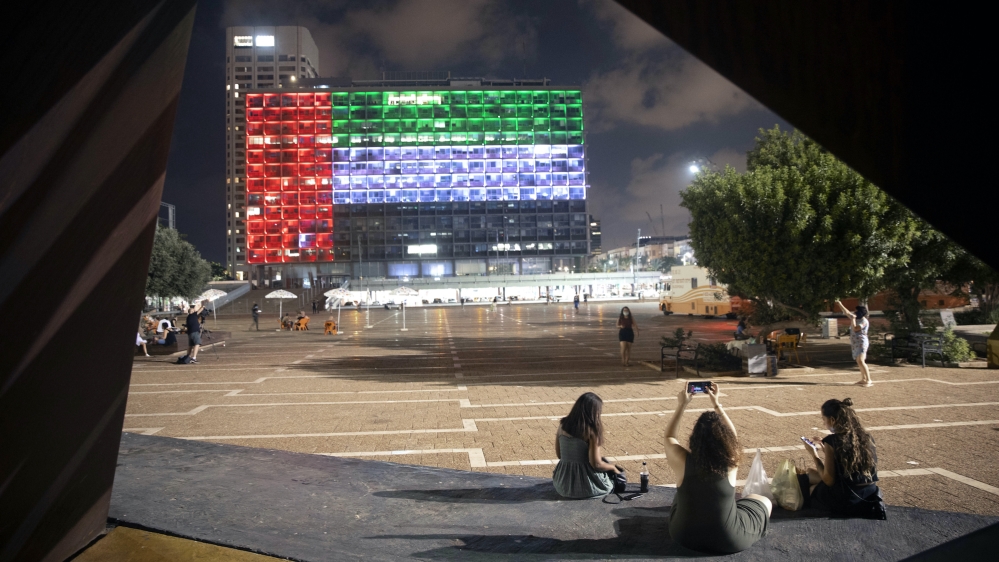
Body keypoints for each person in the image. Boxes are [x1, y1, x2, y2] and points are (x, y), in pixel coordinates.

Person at [665, 382, 771, 554]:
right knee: (762, 500)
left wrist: (682, 404)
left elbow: (669, 436)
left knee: (680, 495)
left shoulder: (682, 460)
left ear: (694, 437)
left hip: (684, 536)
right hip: (727, 539)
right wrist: (716, 403)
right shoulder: (731, 460)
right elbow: (733, 435)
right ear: (726, 440)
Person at [799, 398, 880, 516]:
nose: (824, 423)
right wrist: (825, 448)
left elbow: (829, 480)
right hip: (869, 495)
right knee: (811, 473)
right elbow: (848, 462)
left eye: (824, 419)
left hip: (847, 499)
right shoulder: (866, 437)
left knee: (811, 488)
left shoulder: (832, 441)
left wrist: (814, 455)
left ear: (832, 420)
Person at [552, 392, 624, 499]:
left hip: (562, 484)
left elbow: (559, 455)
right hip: (586, 487)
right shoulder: (592, 431)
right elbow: (596, 464)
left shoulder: (562, 425)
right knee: (612, 479)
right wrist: (613, 468)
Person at [836, 300, 872, 386]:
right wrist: (840, 304)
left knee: (861, 360)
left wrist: (853, 319)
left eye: (857, 311)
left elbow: (856, 328)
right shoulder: (856, 318)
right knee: (858, 361)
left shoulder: (864, 321)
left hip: (861, 342)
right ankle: (863, 379)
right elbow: (846, 312)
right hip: (855, 343)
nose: (855, 312)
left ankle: (869, 379)